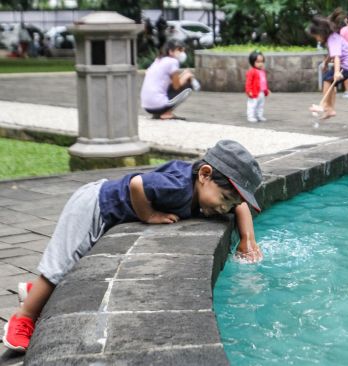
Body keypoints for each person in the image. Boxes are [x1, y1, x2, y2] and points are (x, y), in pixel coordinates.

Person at [1, 140, 264, 352]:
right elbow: (137, 184)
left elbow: (240, 206)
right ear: (205, 175)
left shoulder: (204, 185)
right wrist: (148, 216)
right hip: (92, 206)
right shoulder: (177, 186)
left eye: (230, 203)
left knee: (77, 267)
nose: (225, 208)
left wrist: (247, 240)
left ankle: (36, 292)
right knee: (61, 266)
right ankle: (24, 316)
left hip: (104, 207)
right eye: (225, 199)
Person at [307, 9, 348, 120]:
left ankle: (325, 106)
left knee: (327, 79)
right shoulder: (332, 38)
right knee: (331, 83)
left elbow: (336, 57)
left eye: (316, 36)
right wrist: (326, 63)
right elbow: (332, 54)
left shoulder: (332, 39)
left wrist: (336, 72)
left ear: (321, 33)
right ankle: (330, 110)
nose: (316, 39)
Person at [140, 39, 200, 120]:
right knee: (188, 87)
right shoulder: (172, 62)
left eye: (183, 50)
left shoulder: (158, 60)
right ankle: (166, 113)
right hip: (157, 104)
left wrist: (183, 75)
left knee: (185, 77)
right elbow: (176, 86)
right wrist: (187, 76)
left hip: (147, 106)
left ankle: (158, 113)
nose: (182, 53)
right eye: (179, 50)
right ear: (170, 51)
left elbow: (169, 82)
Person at [245, 51, 270, 122]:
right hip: (254, 92)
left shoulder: (262, 71)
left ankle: (259, 116)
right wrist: (248, 90)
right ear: (252, 62)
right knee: (252, 105)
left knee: (260, 105)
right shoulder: (252, 71)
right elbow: (248, 82)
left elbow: (264, 82)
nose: (260, 64)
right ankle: (250, 116)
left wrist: (266, 89)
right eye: (258, 62)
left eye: (262, 62)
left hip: (261, 92)